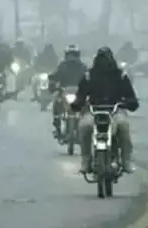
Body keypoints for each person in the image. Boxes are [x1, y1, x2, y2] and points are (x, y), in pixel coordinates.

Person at [70, 46, 139, 174]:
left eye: (105, 58)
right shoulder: (88, 76)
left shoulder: (120, 76)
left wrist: (128, 103)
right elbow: (81, 95)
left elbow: (131, 96)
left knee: (123, 126)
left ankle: (126, 160)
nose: (103, 61)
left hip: (115, 111)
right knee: (84, 127)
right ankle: (86, 160)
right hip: (93, 111)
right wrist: (77, 104)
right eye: (101, 58)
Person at [48, 44, 88, 138]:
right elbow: (53, 76)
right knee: (56, 103)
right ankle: (57, 128)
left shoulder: (82, 67)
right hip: (64, 91)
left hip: (78, 92)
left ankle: (85, 130)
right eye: (70, 54)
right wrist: (53, 84)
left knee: (87, 108)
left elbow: (88, 77)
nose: (72, 57)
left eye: (73, 54)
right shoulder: (62, 66)